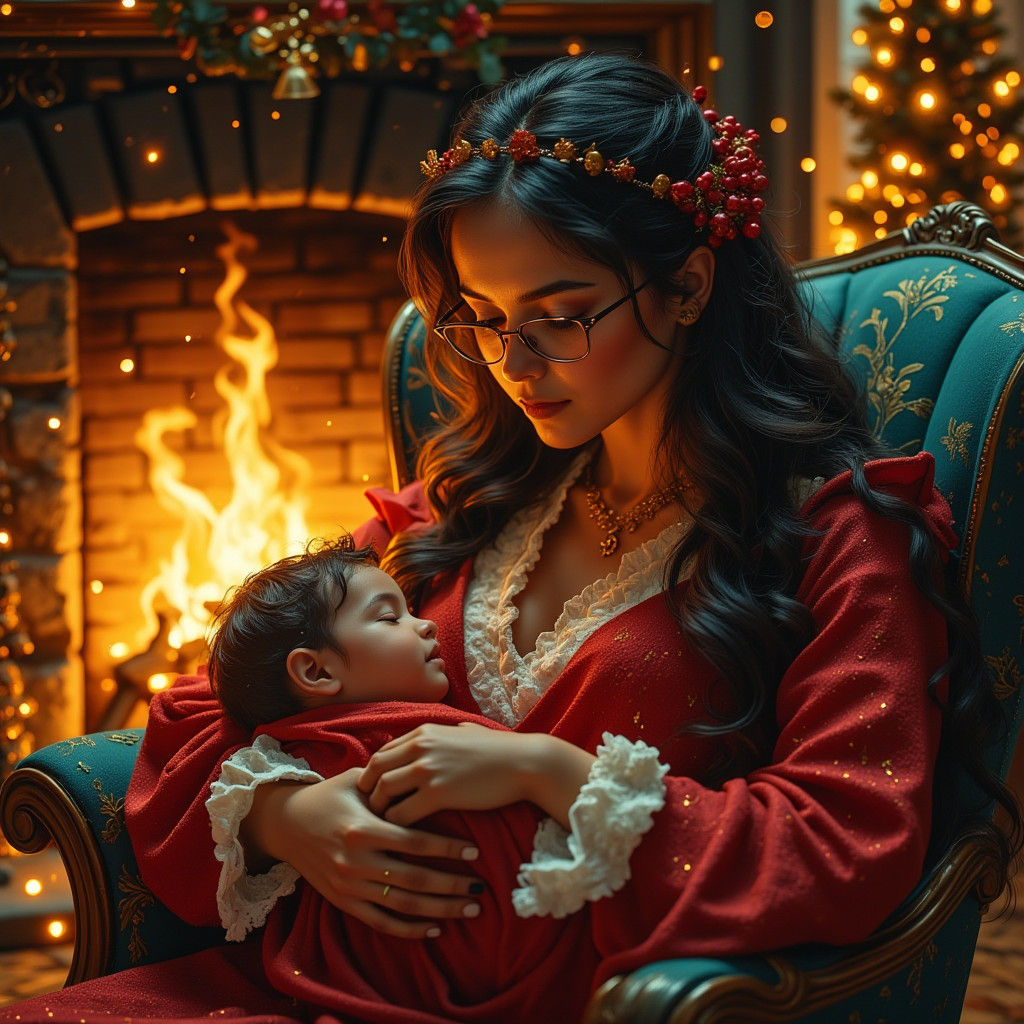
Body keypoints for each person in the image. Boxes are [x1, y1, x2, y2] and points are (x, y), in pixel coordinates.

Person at [3, 51, 1019, 1024]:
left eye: (561, 314)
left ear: (691, 286)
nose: (512, 362)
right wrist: (284, 817)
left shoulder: (836, 538)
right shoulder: (461, 509)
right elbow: (206, 702)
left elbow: (847, 841)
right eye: (482, 318)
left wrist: (551, 772)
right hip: (309, 983)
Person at [203, 535, 606, 1022]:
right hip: (418, 970)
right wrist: (282, 814)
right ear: (315, 670)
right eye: (391, 617)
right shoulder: (325, 752)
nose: (430, 624)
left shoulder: (423, 728)